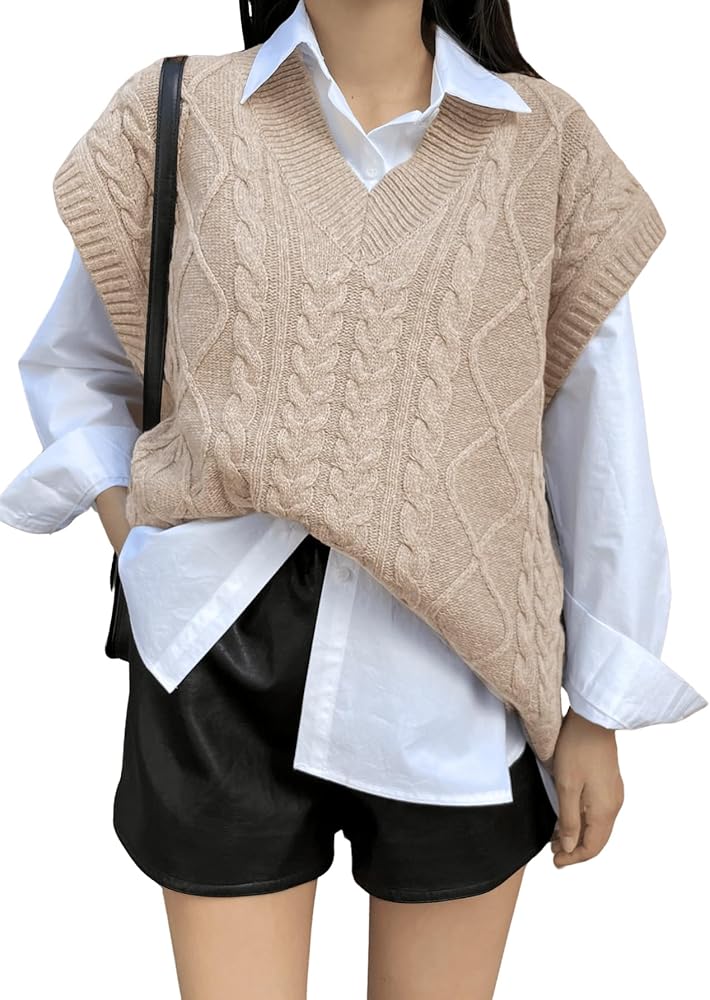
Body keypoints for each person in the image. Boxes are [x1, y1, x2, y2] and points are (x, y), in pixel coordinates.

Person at [0, 1, 706, 997]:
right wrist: (137, 537)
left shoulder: (544, 143)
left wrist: (598, 708)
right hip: (213, 654)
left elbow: (597, 442)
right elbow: (77, 364)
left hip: (457, 667)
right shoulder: (181, 111)